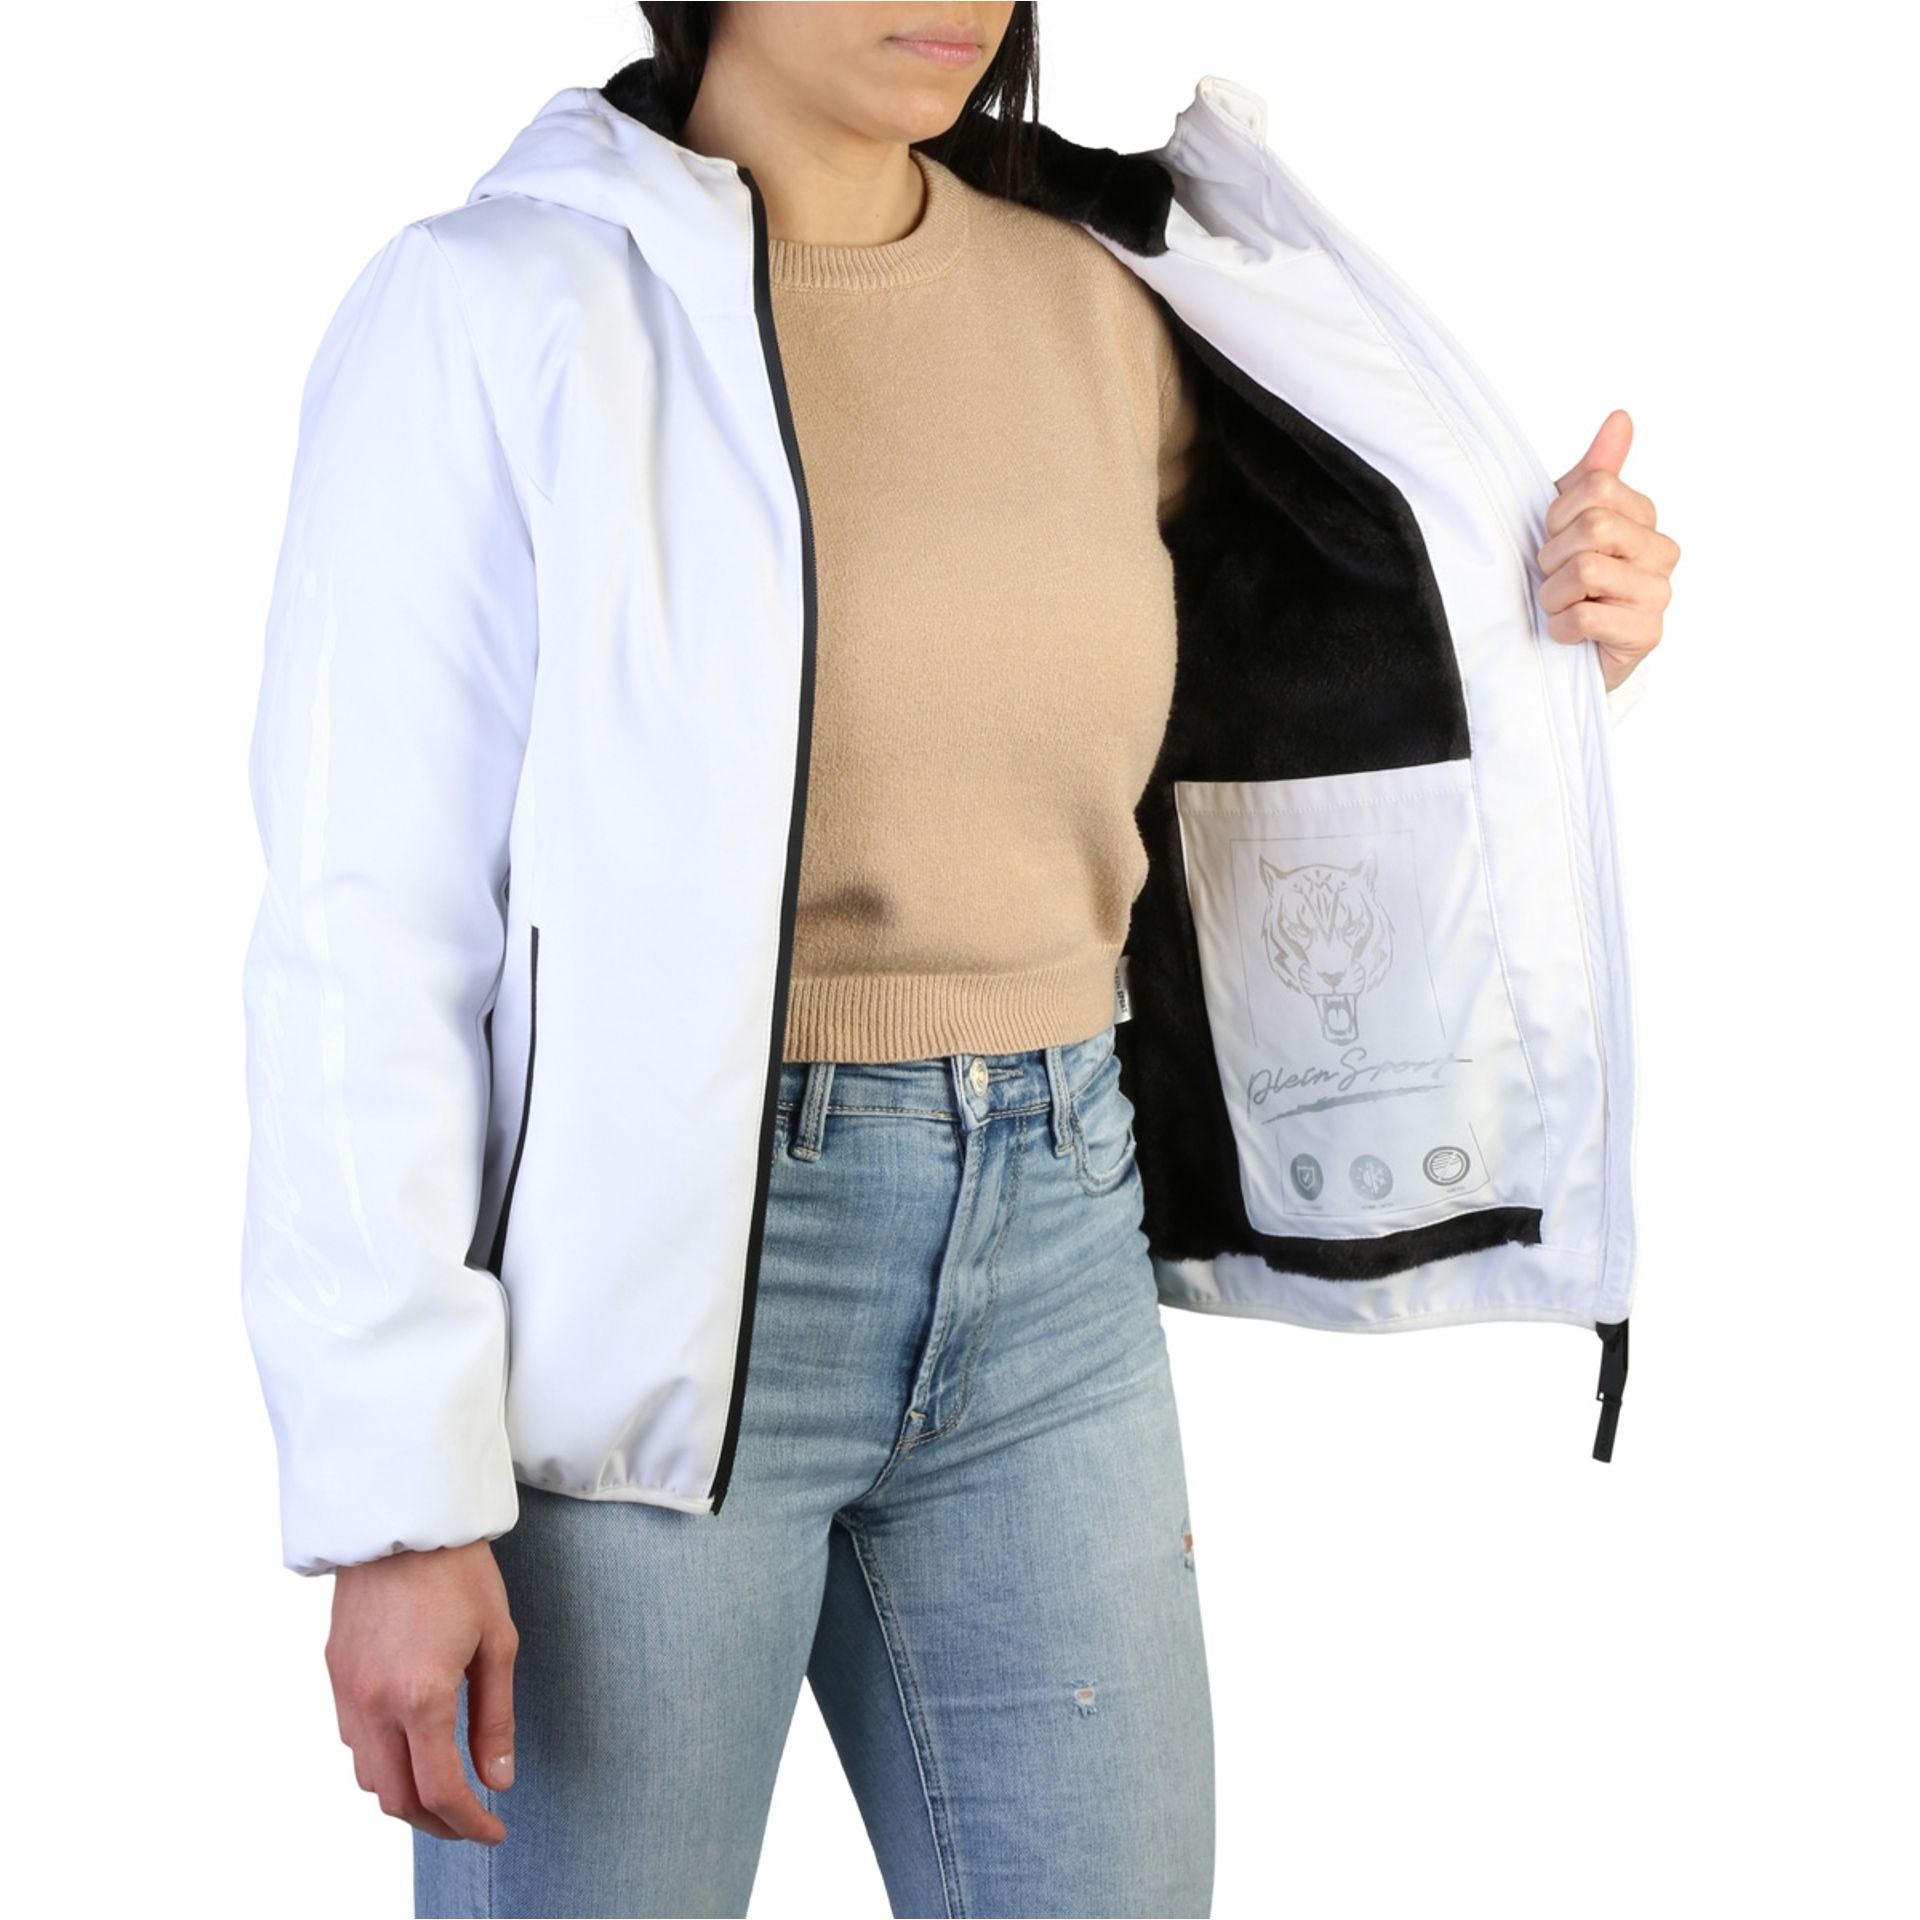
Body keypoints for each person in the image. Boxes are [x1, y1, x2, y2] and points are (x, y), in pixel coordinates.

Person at [240, 6, 1680, 1916]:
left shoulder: (1107, 307)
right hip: (655, 1302)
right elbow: (364, 927)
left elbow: (1312, 694)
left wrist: (1554, 634)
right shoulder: (499, 308)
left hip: (1058, 1257)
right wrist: (396, 1502)